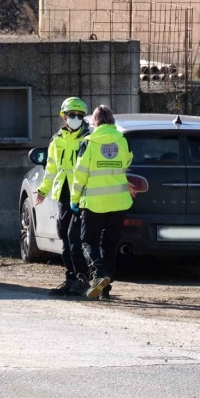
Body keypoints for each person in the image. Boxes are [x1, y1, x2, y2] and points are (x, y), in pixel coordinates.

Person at [72, 105, 135, 300]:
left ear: (95, 121)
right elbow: (127, 163)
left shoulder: (88, 143)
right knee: (110, 245)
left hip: (94, 203)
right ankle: (104, 290)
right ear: (112, 121)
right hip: (118, 202)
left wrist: (74, 199)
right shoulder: (123, 141)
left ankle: (99, 275)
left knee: (88, 241)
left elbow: (79, 174)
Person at [36, 97, 92, 297]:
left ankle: (83, 278)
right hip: (63, 194)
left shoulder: (88, 138)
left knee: (75, 238)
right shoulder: (57, 139)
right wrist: (42, 191)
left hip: (82, 195)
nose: (76, 118)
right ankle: (71, 278)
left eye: (79, 115)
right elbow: (51, 168)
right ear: (63, 116)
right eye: (71, 115)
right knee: (64, 238)